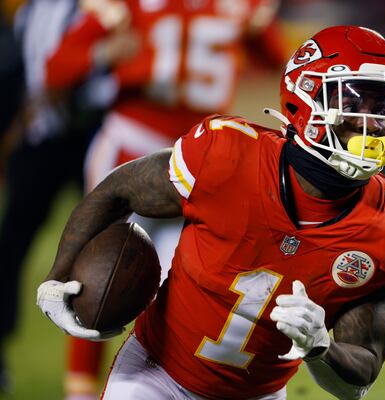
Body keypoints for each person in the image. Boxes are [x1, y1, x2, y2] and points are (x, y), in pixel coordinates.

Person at [36, 25, 385, 399]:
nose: (376, 122)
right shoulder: (227, 154)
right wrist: (57, 277)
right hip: (156, 375)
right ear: (305, 101)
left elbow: (358, 379)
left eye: (384, 103)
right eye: (353, 102)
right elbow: (117, 191)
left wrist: (321, 349)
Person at [44, 0, 288, 397]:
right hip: (134, 147)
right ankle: (82, 391)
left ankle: (164, 385)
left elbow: (283, 63)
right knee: (96, 273)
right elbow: (57, 68)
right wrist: (103, 53)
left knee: (187, 282)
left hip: (202, 163)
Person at [0, 0, 117, 393]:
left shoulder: (97, 9)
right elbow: (22, 70)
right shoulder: (30, 10)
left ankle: (123, 367)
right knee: (10, 246)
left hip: (89, 132)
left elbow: (115, 66)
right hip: (40, 139)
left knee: (109, 245)